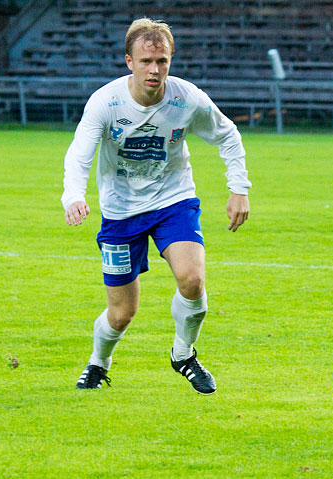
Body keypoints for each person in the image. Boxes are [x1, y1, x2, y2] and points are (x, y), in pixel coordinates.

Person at [62, 18, 251, 393]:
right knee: (121, 314)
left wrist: (239, 188)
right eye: (146, 61)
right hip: (120, 211)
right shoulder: (106, 101)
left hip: (173, 201)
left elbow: (227, 134)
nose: (155, 70)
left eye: (162, 61)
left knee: (193, 279)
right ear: (128, 61)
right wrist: (74, 195)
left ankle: (183, 354)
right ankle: (98, 364)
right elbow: (80, 153)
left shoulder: (186, 98)